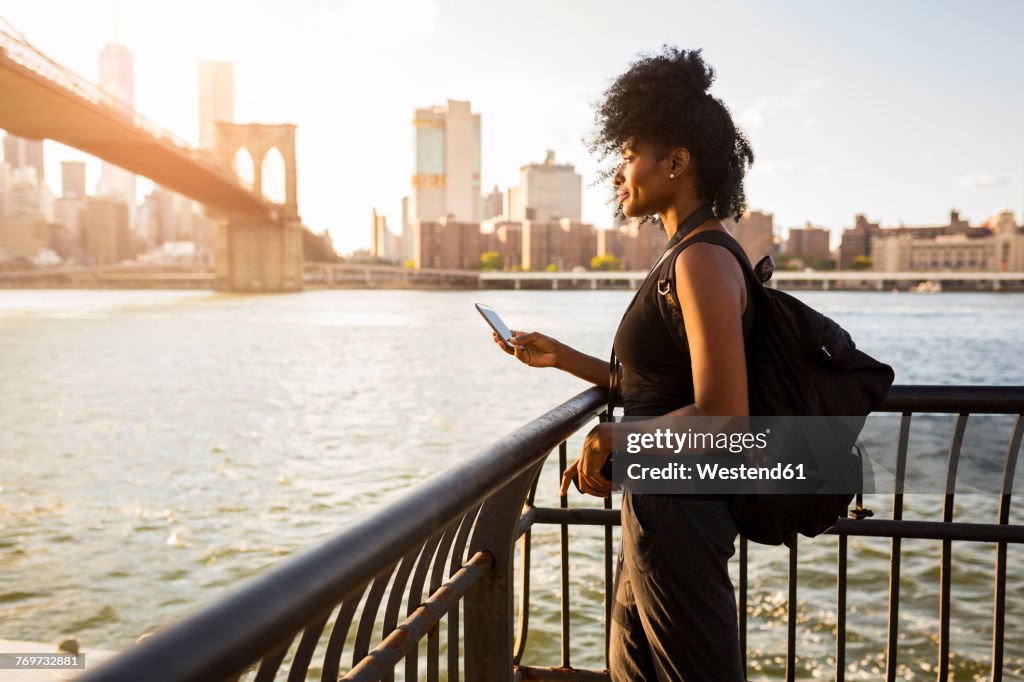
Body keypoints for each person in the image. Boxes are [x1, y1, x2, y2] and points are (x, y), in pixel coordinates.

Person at [493, 46, 755, 681]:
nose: (620, 170)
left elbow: (726, 414)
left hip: (682, 512)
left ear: (677, 162)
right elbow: (657, 386)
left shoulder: (702, 260)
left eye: (630, 152)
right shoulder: (680, 257)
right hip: (657, 507)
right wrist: (565, 359)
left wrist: (615, 436)